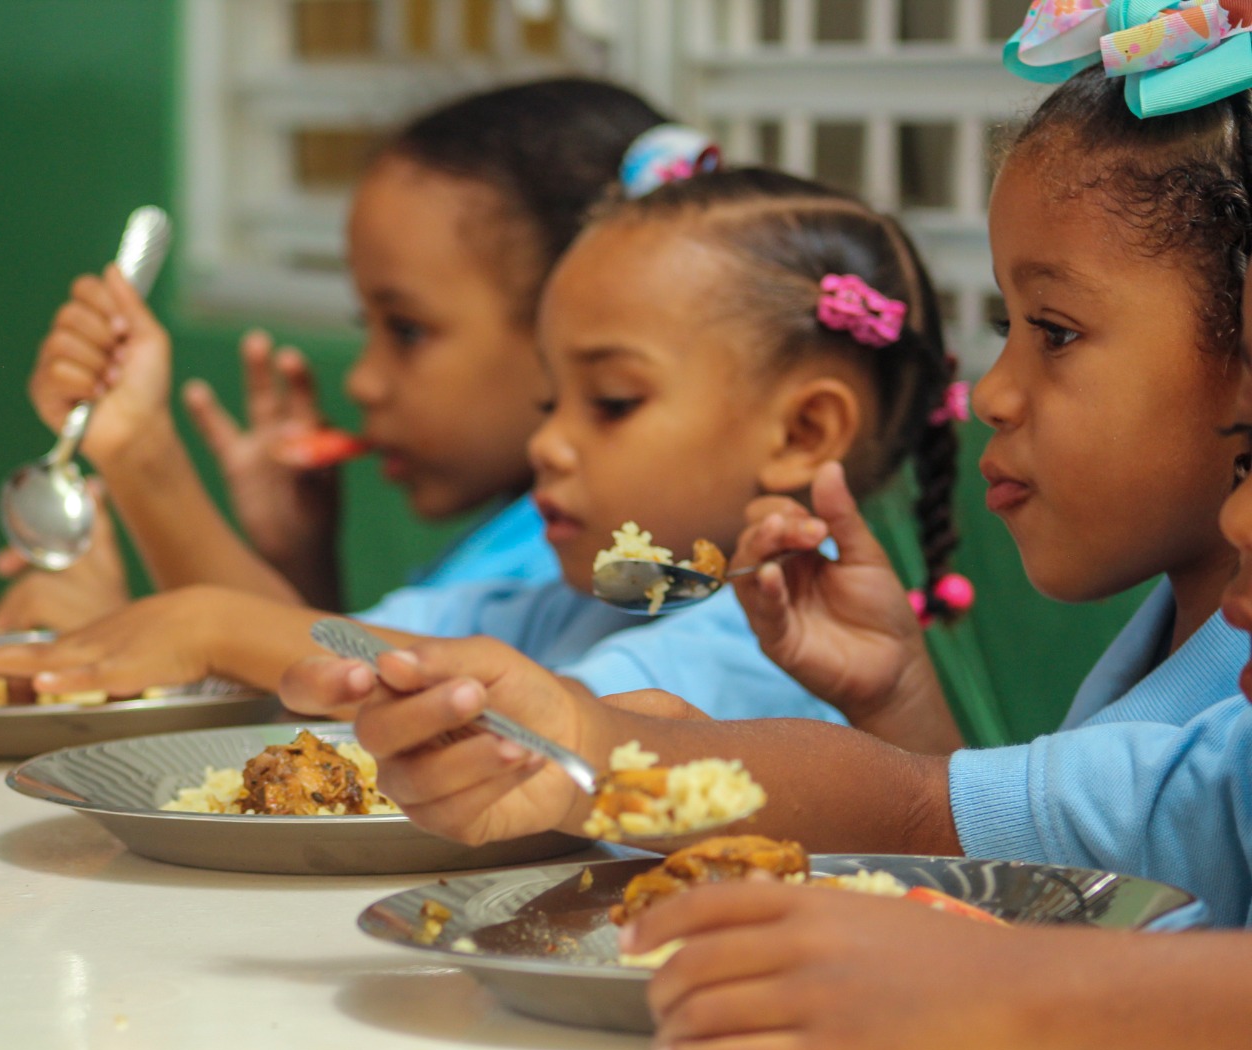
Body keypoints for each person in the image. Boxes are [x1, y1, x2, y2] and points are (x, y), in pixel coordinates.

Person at [276, 56, 1252, 925]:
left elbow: (951, 838)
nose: (992, 392)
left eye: (1056, 329)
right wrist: (900, 700)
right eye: (1006, 322)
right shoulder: (1173, 645)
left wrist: (595, 742)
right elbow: (1013, 865)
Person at [0, 151, 963, 743]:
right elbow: (331, 652)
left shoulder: (762, 648)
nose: (548, 444)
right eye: (547, 399)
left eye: (607, 402)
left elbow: (533, 734)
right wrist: (145, 477)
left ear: (801, 432)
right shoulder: (562, 599)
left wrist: (210, 621)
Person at [0, 79, 670, 632]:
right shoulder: (520, 537)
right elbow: (338, 670)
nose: (365, 381)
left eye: (406, 331)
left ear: (567, 322)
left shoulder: (581, 557)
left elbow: (330, 703)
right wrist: (301, 562)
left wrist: (141, 462)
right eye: (364, 325)